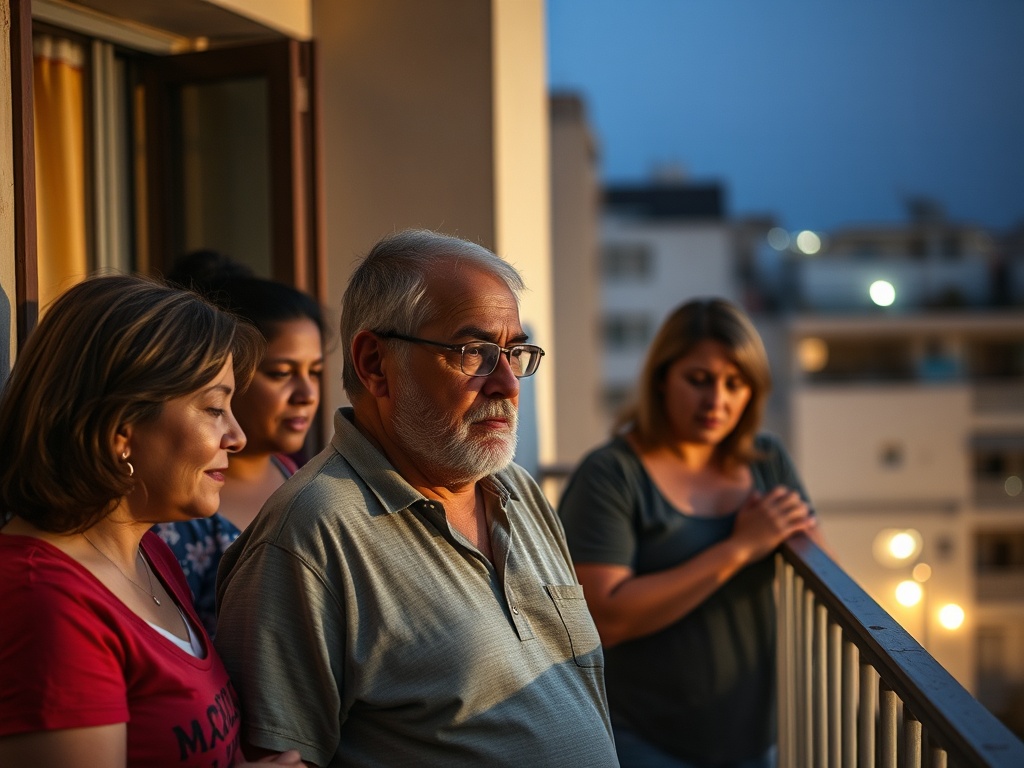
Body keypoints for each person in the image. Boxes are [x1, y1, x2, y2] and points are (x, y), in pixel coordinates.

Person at [216, 229, 619, 768]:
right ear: (375, 364)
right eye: (474, 353)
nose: (508, 383)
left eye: (515, 352)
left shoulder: (518, 491)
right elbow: (281, 756)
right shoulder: (310, 534)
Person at [0, 275, 305, 767]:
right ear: (121, 428)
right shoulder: (44, 600)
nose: (238, 436)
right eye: (213, 408)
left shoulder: (149, 553)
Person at [557, 298, 826, 768]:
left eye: (734, 383)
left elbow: (826, 578)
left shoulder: (766, 461)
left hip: (755, 741)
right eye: (698, 380)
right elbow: (606, 618)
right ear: (662, 379)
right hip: (641, 740)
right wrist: (740, 548)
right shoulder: (611, 474)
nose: (716, 401)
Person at [156, 263, 326, 637]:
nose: (306, 395)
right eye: (281, 373)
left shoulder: (306, 479)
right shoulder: (173, 506)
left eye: (314, 372)